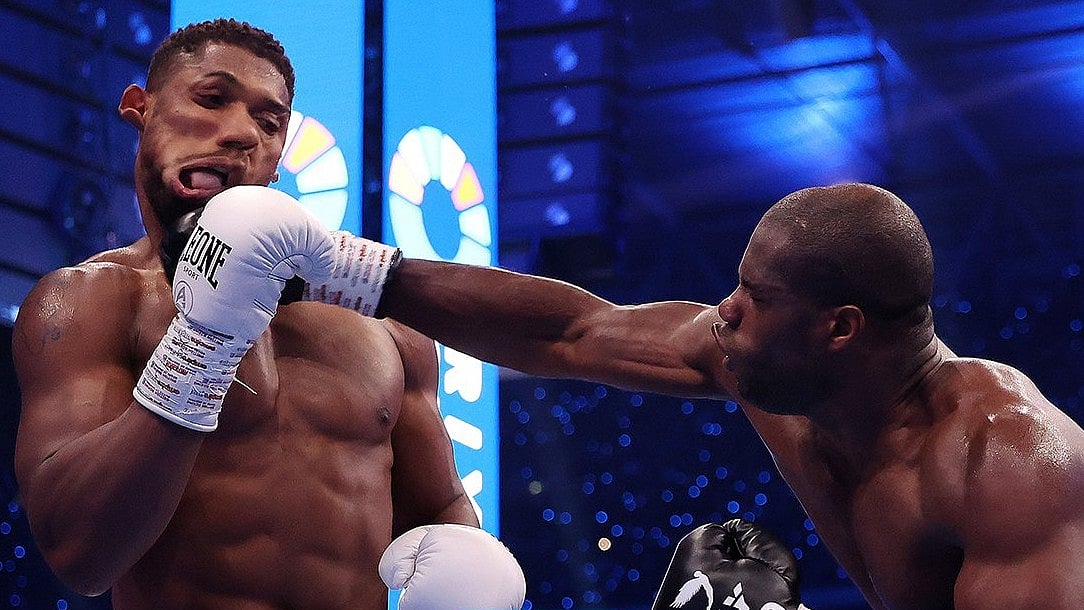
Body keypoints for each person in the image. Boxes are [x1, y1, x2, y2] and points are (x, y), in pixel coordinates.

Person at [365, 182, 1084, 609]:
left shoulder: (1009, 461)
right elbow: (574, 332)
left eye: (757, 296)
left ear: (840, 328)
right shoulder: (763, 366)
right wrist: (359, 273)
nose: (725, 311)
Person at [12, 19, 524, 610]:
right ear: (140, 108)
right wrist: (198, 352)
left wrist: (471, 567)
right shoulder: (89, 302)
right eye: (211, 98)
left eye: (268, 121)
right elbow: (79, 554)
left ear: (280, 155)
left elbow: (437, 509)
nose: (239, 132)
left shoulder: (384, 326)